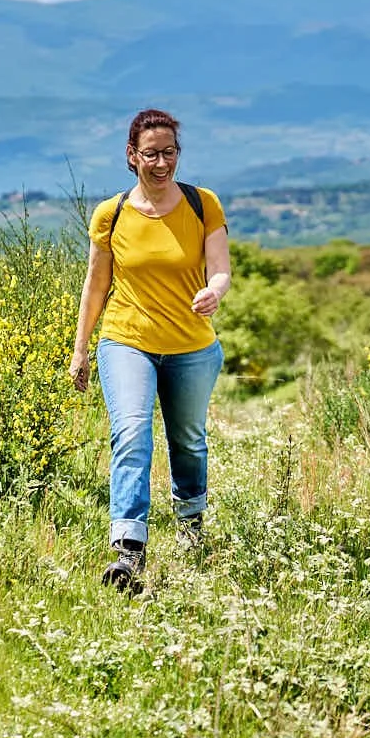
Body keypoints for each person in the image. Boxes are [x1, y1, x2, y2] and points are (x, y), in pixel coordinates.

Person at [69, 108, 231, 593]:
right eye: (151, 154)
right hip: (127, 340)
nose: (161, 163)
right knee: (133, 432)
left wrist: (215, 291)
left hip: (191, 346)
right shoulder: (110, 214)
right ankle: (128, 550)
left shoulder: (203, 205)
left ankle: (190, 528)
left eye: (170, 153)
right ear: (131, 155)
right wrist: (81, 350)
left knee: (188, 440)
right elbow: (95, 286)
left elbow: (220, 268)